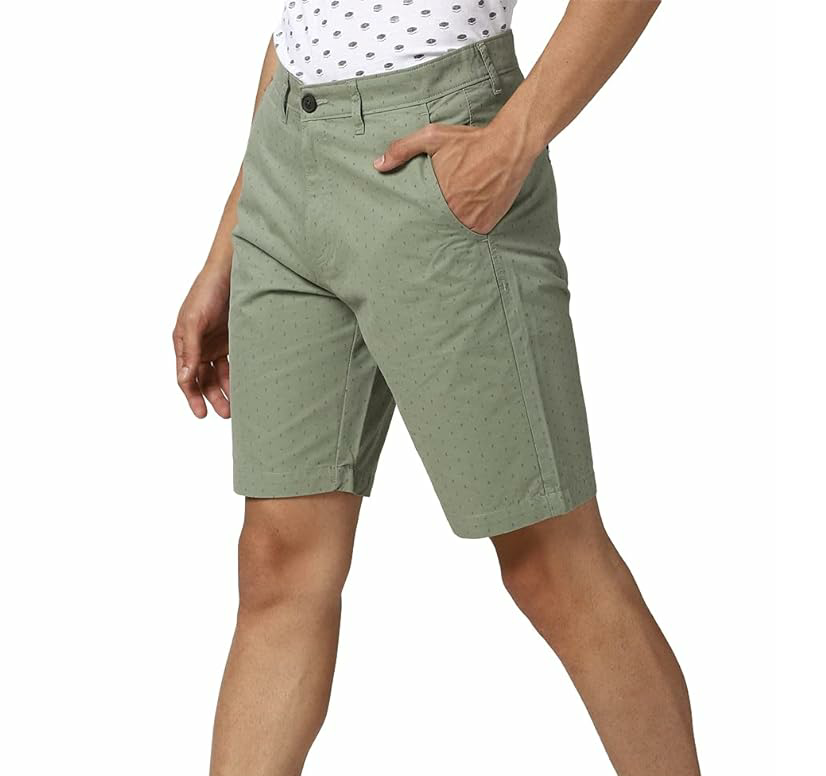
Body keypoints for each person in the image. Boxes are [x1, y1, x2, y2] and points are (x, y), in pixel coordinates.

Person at [173, 1, 702, 774]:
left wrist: (513, 141)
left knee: (551, 562)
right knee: (278, 563)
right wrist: (228, 245)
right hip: (283, 162)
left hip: (432, 147)